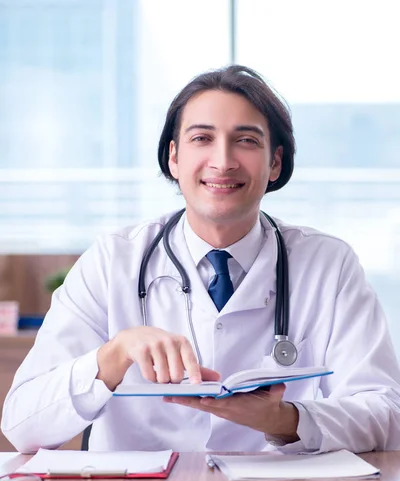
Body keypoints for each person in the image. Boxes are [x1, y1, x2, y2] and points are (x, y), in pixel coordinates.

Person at [2, 65, 400, 454]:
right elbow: (23, 424)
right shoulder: (113, 261)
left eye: (245, 140)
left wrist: (281, 419)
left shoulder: (329, 265)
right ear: (174, 157)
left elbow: (385, 414)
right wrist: (113, 356)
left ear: (275, 162)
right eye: (202, 138)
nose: (223, 161)